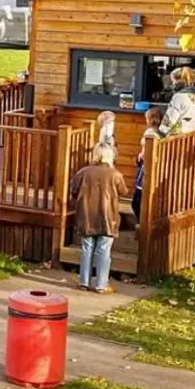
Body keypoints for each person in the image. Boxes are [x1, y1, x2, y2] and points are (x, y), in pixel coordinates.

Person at [68, 142, 127, 292]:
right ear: (110, 156)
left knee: (86, 249)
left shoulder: (83, 172)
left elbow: (73, 190)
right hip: (108, 218)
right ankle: (101, 284)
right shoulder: (115, 174)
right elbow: (123, 191)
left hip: (86, 216)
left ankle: (84, 282)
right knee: (104, 251)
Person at [157, 67, 195, 136]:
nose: (172, 84)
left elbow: (169, 121)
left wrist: (159, 132)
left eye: (173, 81)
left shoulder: (179, 96)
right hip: (193, 135)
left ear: (179, 80)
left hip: (177, 138)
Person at [132, 125, 160, 220]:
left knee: (140, 206)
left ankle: (141, 223)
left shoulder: (155, 157)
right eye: (142, 148)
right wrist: (139, 158)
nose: (143, 150)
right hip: (139, 186)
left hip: (145, 187)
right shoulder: (144, 155)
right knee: (135, 204)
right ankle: (139, 222)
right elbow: (140, 164)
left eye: (144, 148)